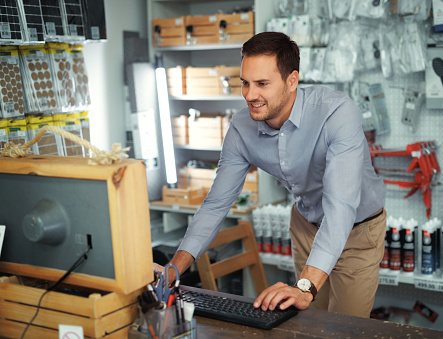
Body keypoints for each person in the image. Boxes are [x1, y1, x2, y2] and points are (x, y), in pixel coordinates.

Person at [155, 31, 386, 318]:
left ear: (292, 80)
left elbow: (340, 208)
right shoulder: (241, 127)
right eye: (245, 83)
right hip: (306, 225)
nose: (251, 95)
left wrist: (304, 287)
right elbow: (216, 205)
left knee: (346, 328)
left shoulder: (336, 112)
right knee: (310, 323)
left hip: (358, 231)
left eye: (262, 83)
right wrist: (173, 269)